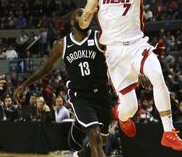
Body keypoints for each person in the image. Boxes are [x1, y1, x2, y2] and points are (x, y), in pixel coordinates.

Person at [79, 0, 182, 151]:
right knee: (130, 108)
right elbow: (84, 22)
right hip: (114, 53)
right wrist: (86, 17)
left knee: (157, 75)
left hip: (138, 45)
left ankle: (168, 132)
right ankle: (122, 117)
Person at [14, 8, 112, 157]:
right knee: (95, 136)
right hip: (81, 97)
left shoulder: (99, 37)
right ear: (72, 22)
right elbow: (46, 68)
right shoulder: (62, 44)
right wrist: (24, 84)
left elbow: (120, 56)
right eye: (80, 13)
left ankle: (80, 155)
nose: (85, 15)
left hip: (102, 94)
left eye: (86, 13)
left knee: (100, 142)